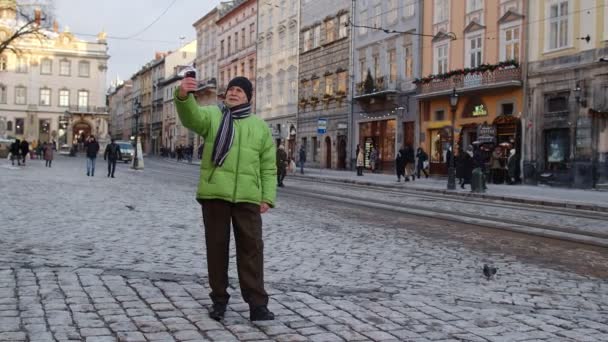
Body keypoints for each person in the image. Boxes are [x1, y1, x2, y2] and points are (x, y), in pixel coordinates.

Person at [175, 75, 276, 322]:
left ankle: (257, 305)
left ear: (248, 97)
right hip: (215, 194)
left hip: (248, 197)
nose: (233, 93)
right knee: (217, 248)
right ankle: (219, 300)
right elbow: (191, 118)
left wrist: (267, 197)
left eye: (240, 91)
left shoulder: (260, 127)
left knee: (252, 250)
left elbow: (268, 166)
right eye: (231, 89)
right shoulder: (212, 116)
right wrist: (183, 97)